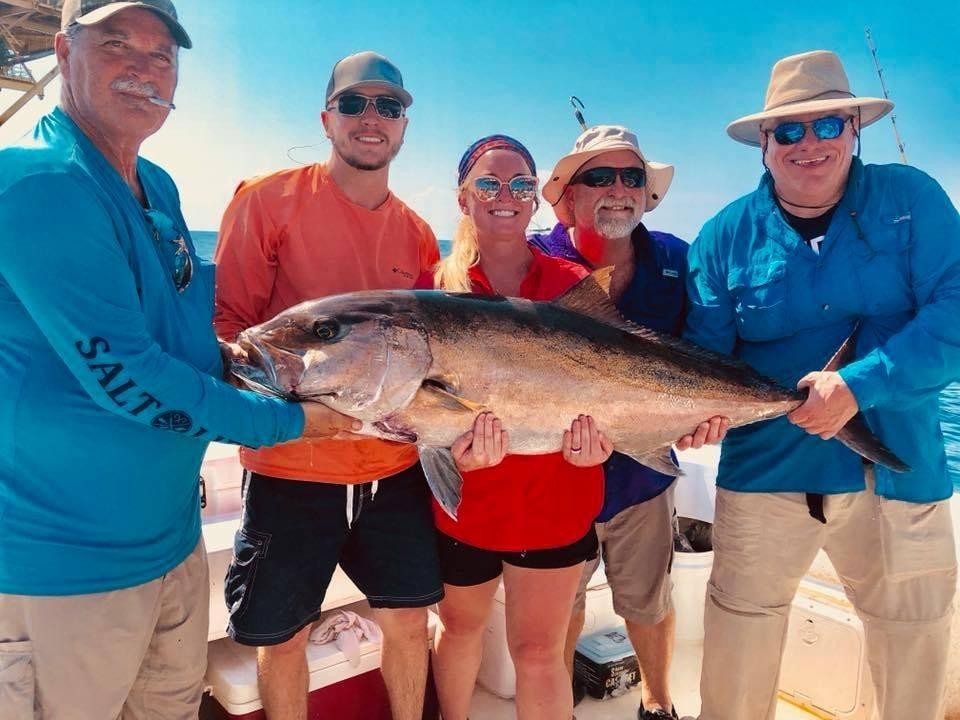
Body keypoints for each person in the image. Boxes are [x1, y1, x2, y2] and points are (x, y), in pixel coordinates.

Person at [0, 2, 346, 718]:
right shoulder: (40, 182)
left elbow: (176, 334)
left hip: (172, 544)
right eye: (117, 44)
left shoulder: (156, 185)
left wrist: (242, 361)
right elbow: (129, 378)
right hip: (62, 567)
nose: (144, 67)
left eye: (163, 54)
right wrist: (297, 423)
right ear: (64, 52)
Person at [685, 50, 960, 720]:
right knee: (738, 649)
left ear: (854, 129)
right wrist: (691, 414)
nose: (809, 145)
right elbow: (703, 358)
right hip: (766, 472)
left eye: (828, 125)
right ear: (764, 144)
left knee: (912, 654)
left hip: (898, 470)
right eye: (789, 131)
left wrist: (859, 387)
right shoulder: (723, 238)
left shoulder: (913, 198)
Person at [213, 51, 442, 720]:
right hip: (292, 464)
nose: (371, 119)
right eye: (354, 104)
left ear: (404, 124)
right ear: (327, 117)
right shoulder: (266, 201)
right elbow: (231, 336)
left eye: (388, 106)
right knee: (279, 635)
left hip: (393, 463)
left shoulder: (419, 235)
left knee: (409, 619)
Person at [533, 125, 727, 720]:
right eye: (598, 176)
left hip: (642, 471)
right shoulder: (537, 259)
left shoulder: (675, 257)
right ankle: (555, 692)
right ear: (566, 195)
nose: (617, 189)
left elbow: (707, 347)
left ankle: (659, 699)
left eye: (631, 177)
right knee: (557, 599)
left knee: (646, 597)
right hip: (554, 467)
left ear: (647, 194)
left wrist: (706, 415)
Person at [416, 134, 611, 720]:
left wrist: (604, 447)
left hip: (559, 497)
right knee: (458, 629)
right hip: (468, 502)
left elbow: (621, 386)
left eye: (522, 185)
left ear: (535, 198)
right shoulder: (433, 290)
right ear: (462, 197)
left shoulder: (571, 283)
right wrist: (454, 446)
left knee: (538, 650)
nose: (507, 197)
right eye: (489, 184)